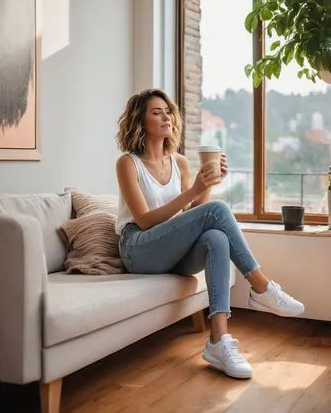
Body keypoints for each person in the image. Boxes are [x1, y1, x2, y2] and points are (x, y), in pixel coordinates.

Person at [115, 88, 304, 379]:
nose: (166, 116)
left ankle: (218, 341)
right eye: (156, 112)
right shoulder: (128, 163)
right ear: (140, 121)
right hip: (139, 249)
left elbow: (199, 211)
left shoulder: (178, 162)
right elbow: (143, 220)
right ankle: (261, 287)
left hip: (169, 248)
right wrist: (192, 192)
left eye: (168, 111)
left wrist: (209, 183)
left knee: (216, 236)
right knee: (216, 211)